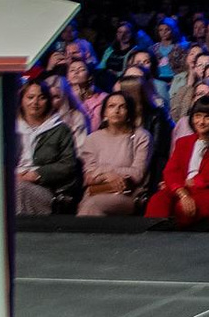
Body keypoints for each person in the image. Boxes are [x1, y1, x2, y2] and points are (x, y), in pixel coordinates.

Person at [148, 96, 209, 230]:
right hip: (181, 189)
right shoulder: (183, 142)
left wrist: (183, 184)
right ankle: (151, 241)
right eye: (197, 116)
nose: (201, 122)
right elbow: (171, 171)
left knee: (181, 210)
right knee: (157, 201)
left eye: (208, 117)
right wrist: (181, 191)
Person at [75, 89, 152, 217]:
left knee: (93, 205)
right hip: (96, 191)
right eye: (111, 106)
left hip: (127, 193)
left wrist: (103, 172)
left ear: (129, 112)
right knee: (89, 205)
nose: (116, 111)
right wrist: (108, 175)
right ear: (104, 112)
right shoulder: (92, 138)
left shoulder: (141, 136)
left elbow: (137, 173)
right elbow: (88, 176)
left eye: (122, 107)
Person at [13, 81, 82, 216]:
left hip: (47, 188)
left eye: (41, 97)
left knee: (19, 189)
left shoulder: (60, 130)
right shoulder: (10, 128)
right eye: (30, 97)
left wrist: (37, 174)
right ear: (21, 100)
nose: (35, 102)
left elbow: (68, 165)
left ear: (48, 101)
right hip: (13, 180)